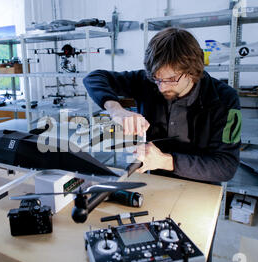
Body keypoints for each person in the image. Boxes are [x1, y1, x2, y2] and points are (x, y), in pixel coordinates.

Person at [83, 27, 242, 184]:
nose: (162, 87)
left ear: (192, 71)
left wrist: (165, 161)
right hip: (153, 181)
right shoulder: (147, 82)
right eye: (156, 79)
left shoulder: (225, 100)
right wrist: (116, 110)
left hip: (201, 187)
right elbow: (94, 78)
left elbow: (226, 166)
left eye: (171, 79)